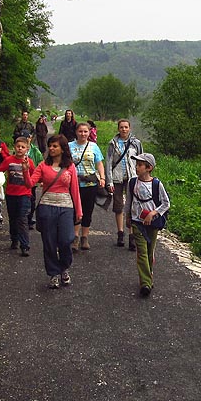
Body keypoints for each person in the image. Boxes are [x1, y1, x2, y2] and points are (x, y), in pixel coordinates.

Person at [22, 134, 82, 289]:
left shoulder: (70, 167)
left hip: (66, 206)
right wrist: (25, 170)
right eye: (50, 146)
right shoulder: (42, 165)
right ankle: (53, 273)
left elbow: (74, 190)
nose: (51, 149)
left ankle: (64, 267)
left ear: (62, 148)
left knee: (66, 239)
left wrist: (78, 211)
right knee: (49, 242)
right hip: (47, 206)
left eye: (55, 146)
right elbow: (30, 184)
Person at [125, 152, 170, 297]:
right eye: (136, 165)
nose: (137, 168)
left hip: (152, 223)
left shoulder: (156, 184)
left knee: (150, 252)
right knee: (142, 253)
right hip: (137, 222)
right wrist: (128, 217)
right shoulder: (132, 182)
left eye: (140, 165)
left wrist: (153, 213)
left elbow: (166, 203)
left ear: (149, 168)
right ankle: (145, 283)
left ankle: (149, 275)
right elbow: (129, 201)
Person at [105, 118, 143, 250]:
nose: (124, 129)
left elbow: (141, 160)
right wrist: (109, 181)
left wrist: (141, 178)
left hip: (132, 177)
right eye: (121, 127)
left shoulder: (136, 143)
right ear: (118, 129)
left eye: (126, 127)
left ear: (129, 128)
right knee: (118, 205)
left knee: (132, 206)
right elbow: (108, 163)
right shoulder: (112, 144)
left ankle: (132, 236)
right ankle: (120, 233)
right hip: (117, 178)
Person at [69, 121, 106, 251]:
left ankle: (85, 237)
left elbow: (99, 163)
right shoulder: (69, 146)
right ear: (76, 132)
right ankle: (75, 237)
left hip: (90, 183)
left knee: (87, 211)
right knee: (74, 211)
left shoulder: (94, 146)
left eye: (85, 131)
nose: (83, 134)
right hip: (73, 183)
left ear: (89, 132)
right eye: (80, 131)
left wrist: (102, 177)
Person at [0, 136, 35, 256]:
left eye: (23, 147)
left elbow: (34, 176)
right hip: (11, 194)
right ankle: (14, 239)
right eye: (18, 146)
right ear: (14, 147)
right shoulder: (9, 160)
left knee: (22, 219)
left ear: (27, 149)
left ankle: (25, 245)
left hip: (25, 194)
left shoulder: (29, 162)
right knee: (13, 218)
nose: (20, 149)